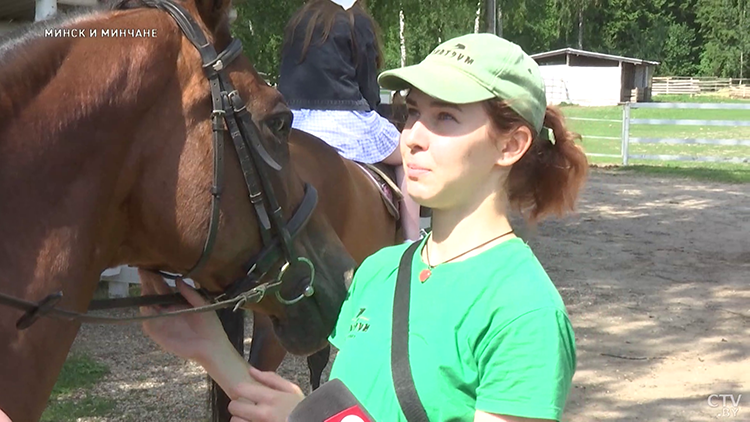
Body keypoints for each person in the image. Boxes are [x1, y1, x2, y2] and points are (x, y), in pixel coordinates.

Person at [142, 32, 589, 421]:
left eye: (444, 117)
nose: (411, 135)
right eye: (413, 113)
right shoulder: (378, 271)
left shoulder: (523, 311)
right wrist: (209, 348)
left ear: (510, 145)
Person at [276, 0, 422, 241]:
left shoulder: (298, 22)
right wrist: (373, 109)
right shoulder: (355, 21)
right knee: (408, 154)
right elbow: (368, 85)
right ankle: (412, 239)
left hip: (296, 120)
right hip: (343, 118)